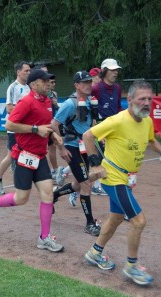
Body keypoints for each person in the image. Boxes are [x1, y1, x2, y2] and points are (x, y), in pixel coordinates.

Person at [83, 80, 161, 286]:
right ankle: (131, 266)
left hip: (128, 179)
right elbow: (88, 136)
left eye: (149, 98)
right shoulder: (117, 120)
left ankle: (95, 252)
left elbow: (150, 140)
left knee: (116, 218)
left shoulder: (145, 121)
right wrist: (94, 165)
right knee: (139, 221)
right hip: (113, 178)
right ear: (129, 100)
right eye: (142, 99)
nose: (147, 103)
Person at [0, 69, 65, 253]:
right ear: (33, 85)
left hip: (40, 156)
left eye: (49, 81)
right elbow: (9, 125)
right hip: (23, 156)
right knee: (21, 199)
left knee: (48, 194)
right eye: (44, 81)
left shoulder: (48, 102)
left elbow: (47, 124)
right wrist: (35, 130)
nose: (48, 84)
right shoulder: (26, 101)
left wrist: (54, 135)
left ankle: (44, 238)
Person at [51, 71, 101, 236]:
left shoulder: (89, 102)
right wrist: (62, 148)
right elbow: (54, 125)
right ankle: (89, 223)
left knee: (79, 184)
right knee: (86, 184)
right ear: (76, 85)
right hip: (72, 147)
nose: (88, 85)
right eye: (84, 82)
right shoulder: (70, 104)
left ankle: (55, 194)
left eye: (89, 82)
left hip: (86, 147)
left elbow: (90, 125)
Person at [0, 61, 30, 195]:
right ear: (18, 72)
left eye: (29, 71)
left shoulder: (29, 88)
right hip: (14, 128)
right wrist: (26, 112)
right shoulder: (13, 87)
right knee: (10, 156)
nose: (28, 73)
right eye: (26, 71)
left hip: (26, 128)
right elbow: (9, 108)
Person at [91, 58, 123, 196]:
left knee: (112, 158)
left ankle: (80, 186)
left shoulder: (117, 88)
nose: (115, 73)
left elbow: (118, 107)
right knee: (103, 158)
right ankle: (95, 185)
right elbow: (89, 108)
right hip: (100, 127)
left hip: (114, 126)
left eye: (116, 70)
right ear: (104, 72)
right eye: (112, 70)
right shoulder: (96, 88)